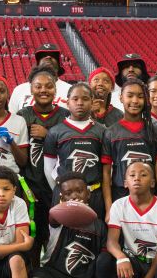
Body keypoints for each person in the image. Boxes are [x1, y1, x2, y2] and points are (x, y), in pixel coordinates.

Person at [28, 173, 106, 278]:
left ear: (88, 193)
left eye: (79, 191)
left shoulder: (100, 226)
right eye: (68, 193)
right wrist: (64, 206)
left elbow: (102, 263)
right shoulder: (58, 218)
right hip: (55, 276)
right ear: (62, 198)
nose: (75, 196)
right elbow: (53, 218)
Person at [17, 70, 70, 260]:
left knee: (55, 239)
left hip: (56, 188)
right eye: (38, 86)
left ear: (56, 88)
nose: (43, 90)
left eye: (48, 86)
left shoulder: (66, 115)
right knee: (31, 239)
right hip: (30, 188)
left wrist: (48, 134)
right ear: (30, 89)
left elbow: (71, 149)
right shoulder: (22, 115)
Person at [44, 82, 110, 218]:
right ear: (67, 103)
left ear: (92, 102)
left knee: (94, 234)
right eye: (75, 99)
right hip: (65, 194)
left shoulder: (103, 131)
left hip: (94, 194)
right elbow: (48, 168)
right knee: (61, 235)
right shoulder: (55, 131)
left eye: (85, 99)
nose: (80, 103)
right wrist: (60, 190)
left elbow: (107, 169)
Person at [102, 79, 157, 204]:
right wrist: (109, 207)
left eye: (140, 96)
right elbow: (106, 174)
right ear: (121, 98)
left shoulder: (155, 131)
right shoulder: (111, 132)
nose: (135, 101)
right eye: (130, 96)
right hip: (120, 196)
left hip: (150, 196)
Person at [8, 45, 71, 113]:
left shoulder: (70, 90)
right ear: (37, 64)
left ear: (59, 65)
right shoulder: (19, 89)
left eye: (53, 56)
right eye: (43, 56)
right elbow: (12, 119)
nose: (48, 57)